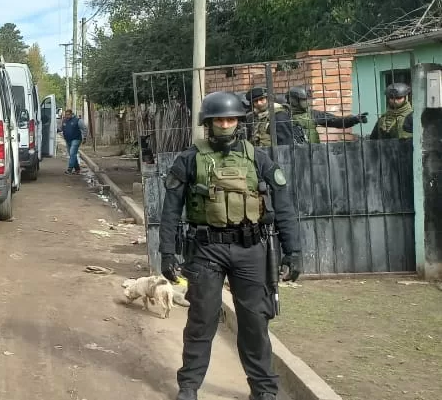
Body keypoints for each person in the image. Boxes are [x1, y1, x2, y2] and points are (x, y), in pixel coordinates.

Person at [157, 91, 303, 400]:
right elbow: (170, 209)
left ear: (239, 122)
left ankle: (264, 391)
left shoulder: (258, 159)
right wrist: (167, 252)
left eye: (230, 119)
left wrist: (294, 252)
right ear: (208, 124)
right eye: (219, 120)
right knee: (202, 319)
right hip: (206, 250)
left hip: (252, 250)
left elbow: (284, 207)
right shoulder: (189, 160)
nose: (225, 124)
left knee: (254, 324)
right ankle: (189, 386)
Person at [278, 86, 367, 144]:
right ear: (293, 100)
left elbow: (335, 121)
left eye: (305, 99)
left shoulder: (312, 114)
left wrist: (354, 119)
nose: (305, 102)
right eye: (302, 100)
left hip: (313, 153)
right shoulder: (282, 115)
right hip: (290, 155)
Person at [59, 109, 88, 174]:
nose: (67, 116)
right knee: (72, 155)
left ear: (72, 114)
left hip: (76, 139)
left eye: (68, 114)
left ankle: (70, 169)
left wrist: (84, 138)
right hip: (68, 140)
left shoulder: (78, 120)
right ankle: (77, 169)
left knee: (72, 153)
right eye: (66, 115)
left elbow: (84, 129)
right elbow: (61, 128)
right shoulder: (64, 121)